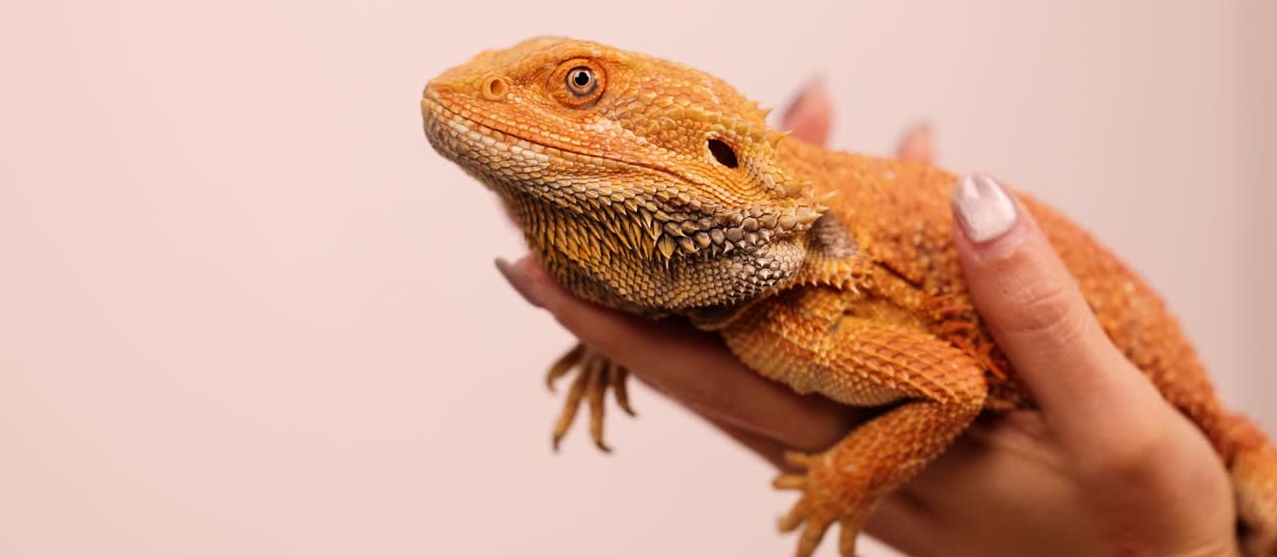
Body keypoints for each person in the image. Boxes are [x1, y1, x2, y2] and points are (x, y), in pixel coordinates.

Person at [495, 82, 1238, 557]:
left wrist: (848, 477)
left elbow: (950, 387)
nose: (498, 97)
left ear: (720, 153)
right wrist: (613, 332)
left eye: (579, 86)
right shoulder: (749, 281)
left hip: (1227, 460)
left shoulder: (798, 321)